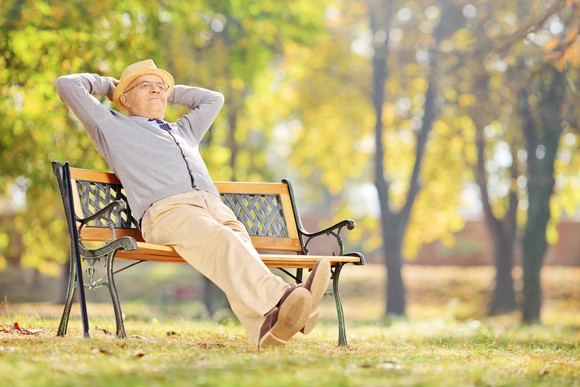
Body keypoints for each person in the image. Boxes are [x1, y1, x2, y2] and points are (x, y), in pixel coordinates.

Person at [56, 59, 330, 349]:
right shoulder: (110, 125)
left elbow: (213, 99)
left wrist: (169, 91)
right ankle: (289, 297)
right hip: (167, 212)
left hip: (214, 207)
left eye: (160, 87)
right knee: (224, 241)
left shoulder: (183, 130)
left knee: (238, 247)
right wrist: (109, 85)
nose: (156, 91)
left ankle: (269, 327)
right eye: (145, 86)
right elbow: (67, 85)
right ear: (124, 97)